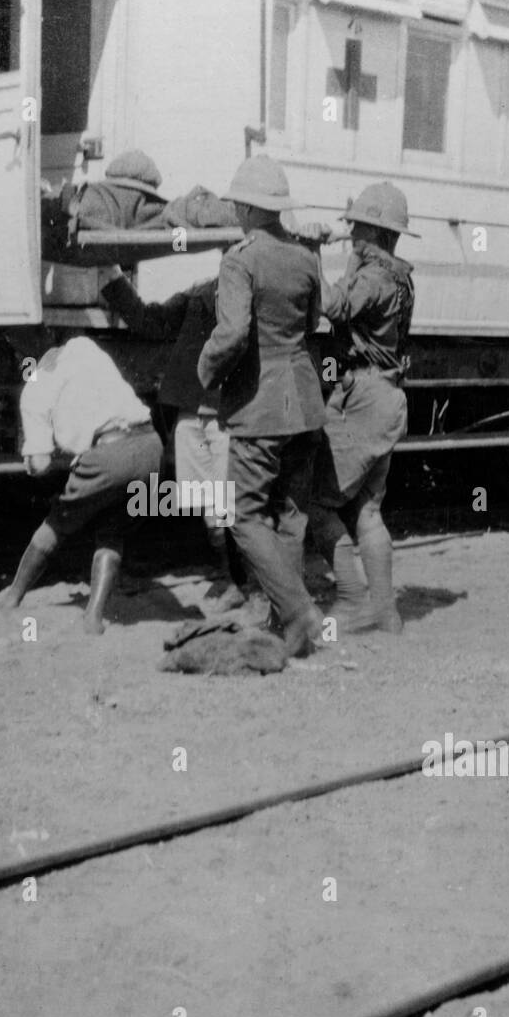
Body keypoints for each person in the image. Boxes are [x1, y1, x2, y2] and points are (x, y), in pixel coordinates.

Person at [197, 155, 327, 658]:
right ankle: (287, 625)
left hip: (260, 403)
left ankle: (298, 615)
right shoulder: (305, 258)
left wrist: (205, 371)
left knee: (244, 515)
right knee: (291, 514)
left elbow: (231, 333)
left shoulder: (241, 259)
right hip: (304, 401)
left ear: (249, 209)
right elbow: (314, 324)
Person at [100, 268, 248, 610]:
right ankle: (231, 579)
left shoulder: (259, 288)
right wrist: (112, 277)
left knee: (230, 504)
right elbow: (151, 321)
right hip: (193, 409)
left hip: (229, 412)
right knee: (209, 503)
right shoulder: (202, 291)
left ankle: (243, 583)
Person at [304, 182, 416, 633]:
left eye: (357, 231)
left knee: (316, 503)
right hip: (386, 395)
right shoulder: (398, 275)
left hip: (363, 396)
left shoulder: (373, 278)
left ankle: (351, 601)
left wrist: (312, 252)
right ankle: (386, 612)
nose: (350, 237)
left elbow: (333, 305)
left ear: (374, 234)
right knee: (368, 510)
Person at [0, 335, 162, 634]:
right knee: (113, 531)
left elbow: (42, 464)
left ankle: (12, 598)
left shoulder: (33, 390)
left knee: (57, 523)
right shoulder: (84, 346)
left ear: (24, 361)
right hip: (150, 446)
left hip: (108, 456)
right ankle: (93, 619)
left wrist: (33, 460)